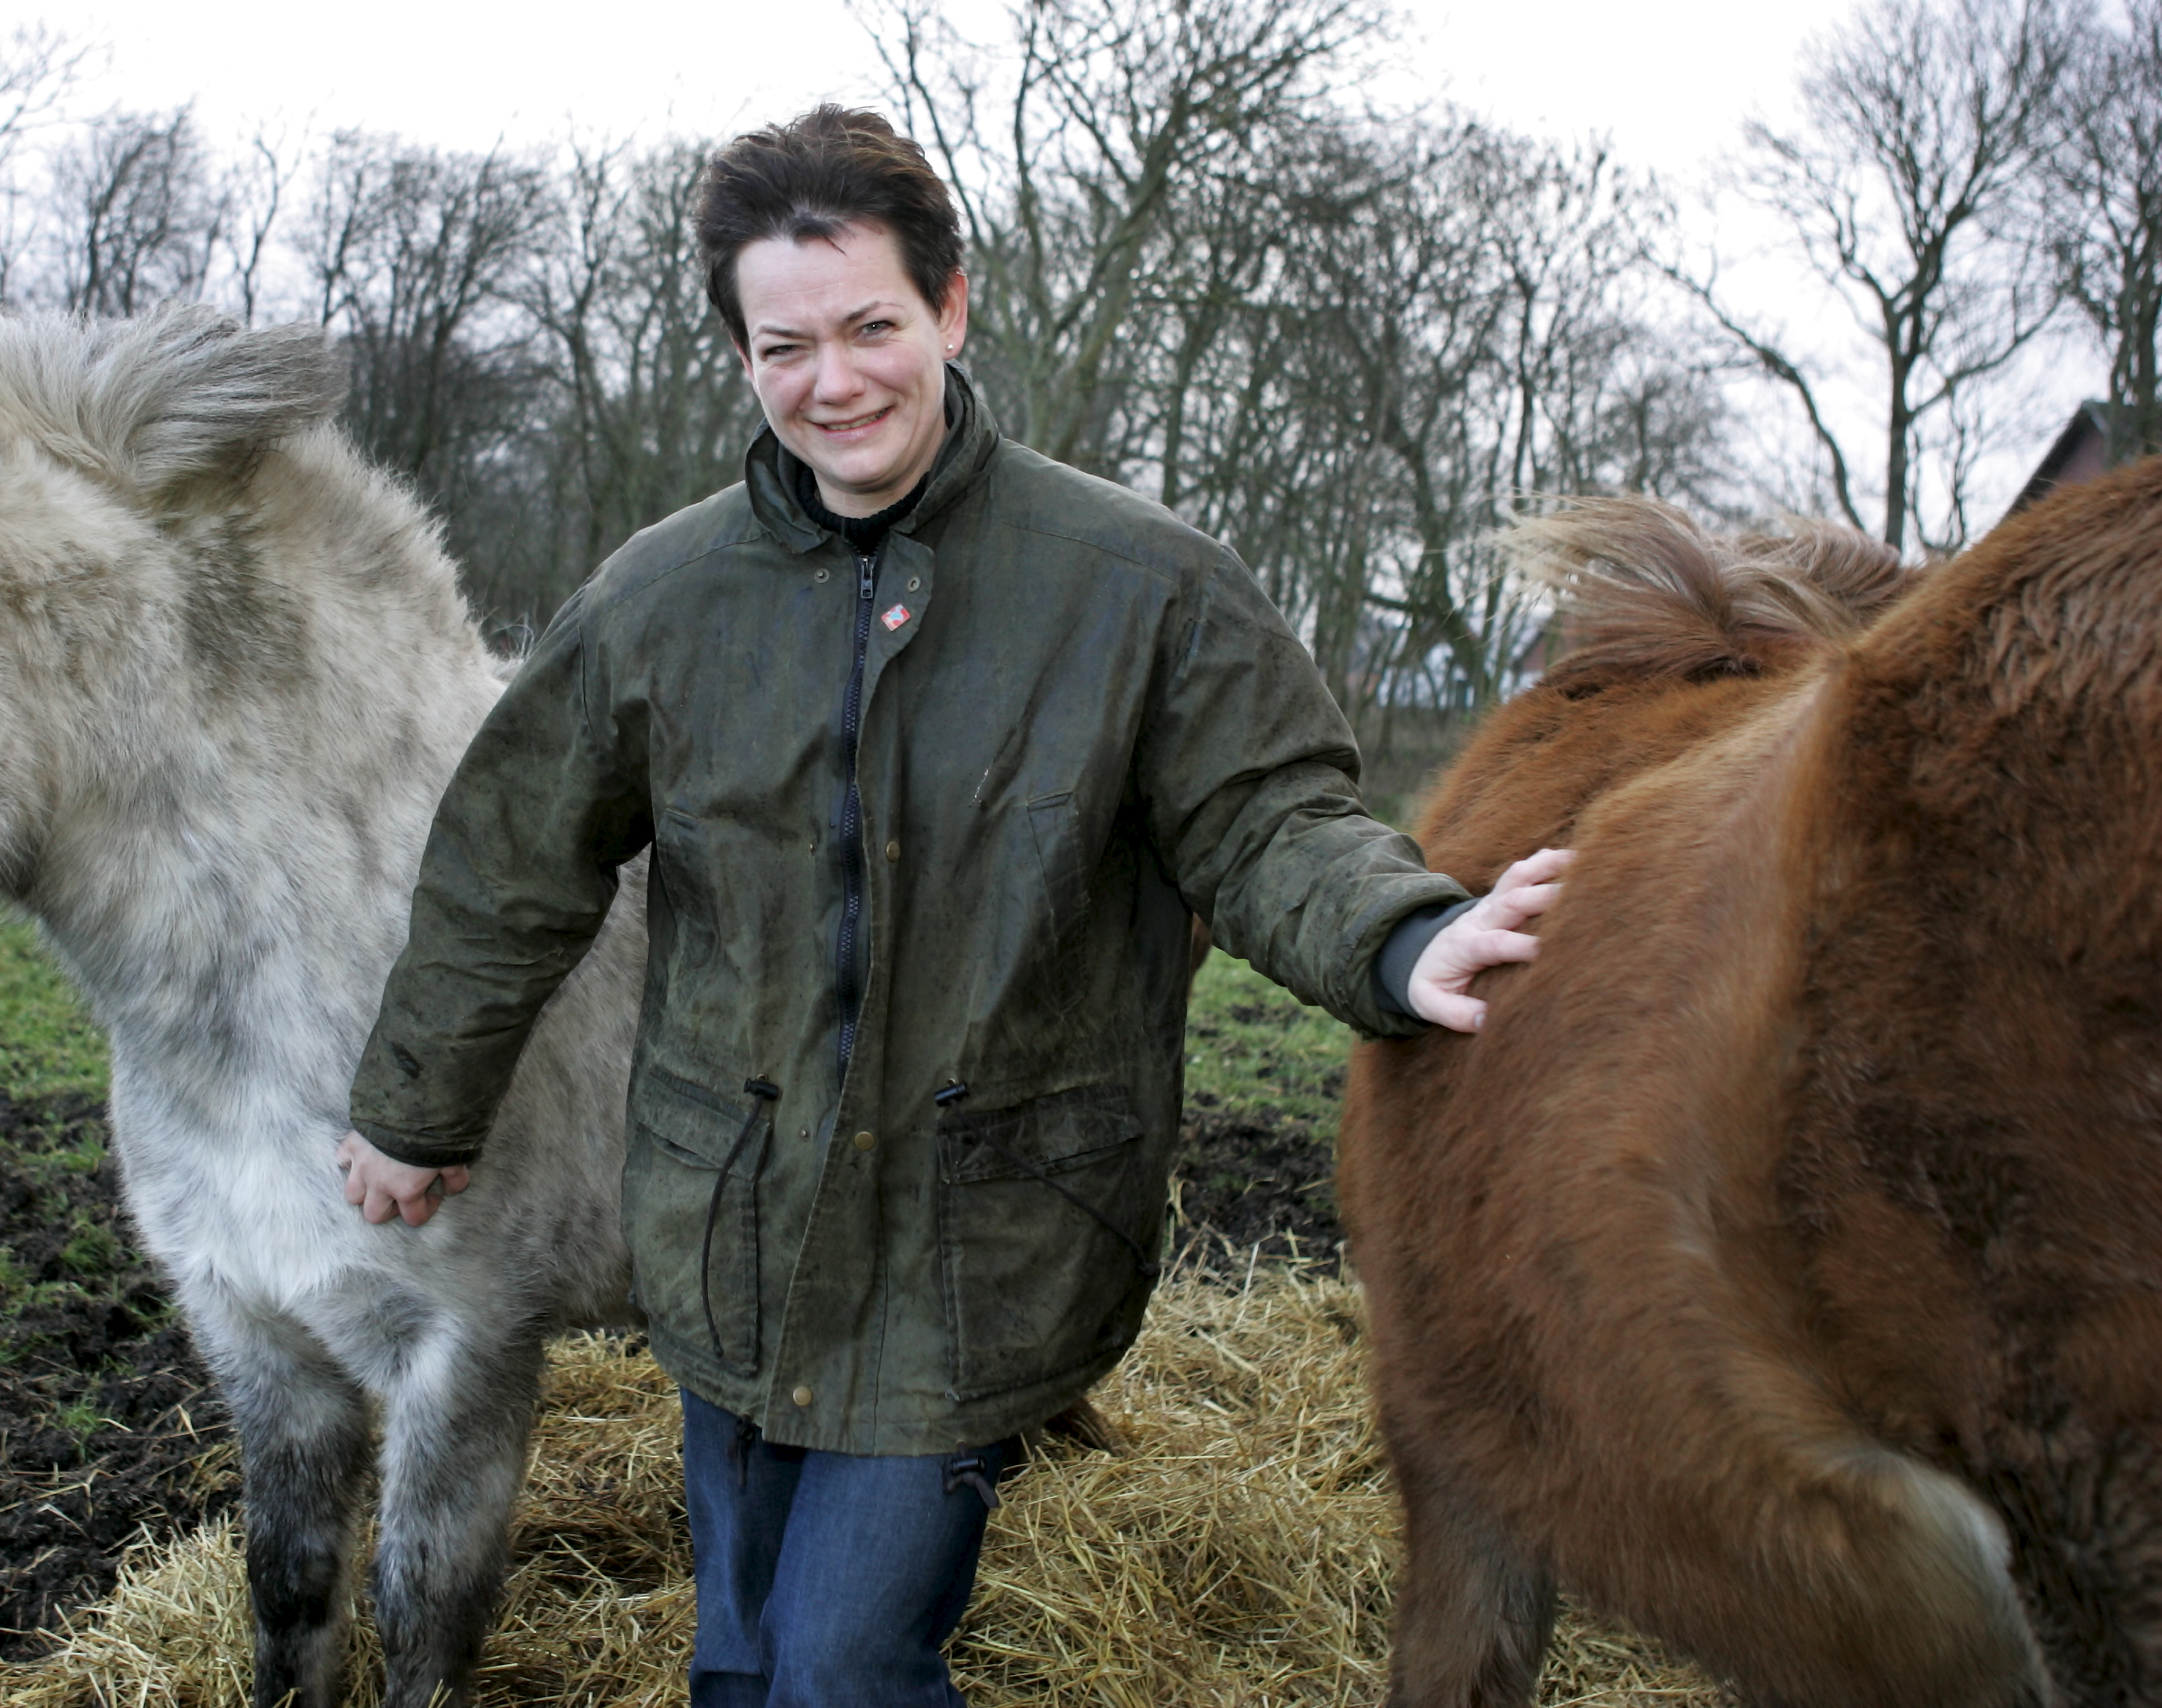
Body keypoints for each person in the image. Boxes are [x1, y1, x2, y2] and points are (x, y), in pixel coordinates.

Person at [337, 105, 1565, 1706]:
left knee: (842, 1670)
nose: (833, 382)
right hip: (732, 1229)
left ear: (952, 309)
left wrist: (1404, 936)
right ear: (739, 351)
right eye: (786, 344)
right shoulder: (659, 598)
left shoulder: (1139, 586)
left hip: (974, 1241)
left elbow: (1272, 821)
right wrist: (417, 1108)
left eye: (870, 327)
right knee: (740, 1662)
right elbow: (510, 863)